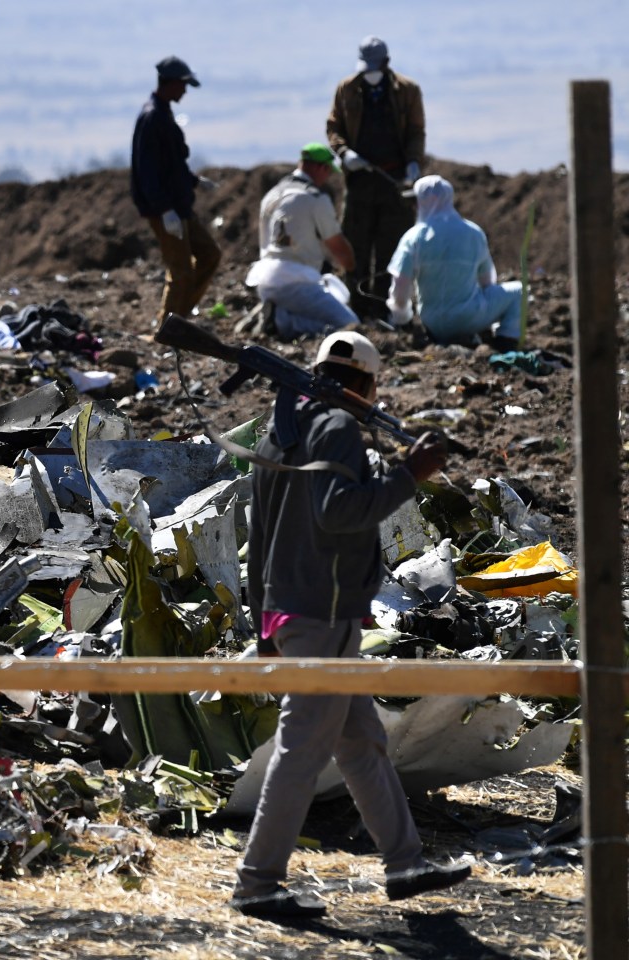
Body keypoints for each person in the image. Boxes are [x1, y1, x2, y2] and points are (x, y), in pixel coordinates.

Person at [231, 330, 470, 918]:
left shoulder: (280, 429)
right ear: (365, 384)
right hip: (323, 615)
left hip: (291, 612)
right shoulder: (336, 429)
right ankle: (257, 883)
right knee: (302, 748)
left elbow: (258, 532)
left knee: (361, 742)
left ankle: (405, 862)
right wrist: (409, 473)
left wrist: (265, 625)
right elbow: (340, 512)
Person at [326, 37, 425, 321]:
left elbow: (417, 131)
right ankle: (354, 310)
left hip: (394, 183)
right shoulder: (347, 90)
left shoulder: (407, 91)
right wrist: (344, 153)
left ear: (386, 64)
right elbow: (334, 127)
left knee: (390, 248)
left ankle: (382, 309)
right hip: (359, 183)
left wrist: (414, 163)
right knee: (355, 246)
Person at [131, 55, 221, 324]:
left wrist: (193, 181)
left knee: (209, 255)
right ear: (169, 83)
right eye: (182, 85)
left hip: (179, 207)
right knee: (181, 271)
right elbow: (148, 172)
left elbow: (171, 163)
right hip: (166, 209)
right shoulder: (152, 117)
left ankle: (178, 320)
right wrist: (164, 209)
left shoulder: (164, 114)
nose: (184, 91)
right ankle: (167, 329)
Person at [387, 175, 522, 351]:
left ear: (426, 201)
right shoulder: (474, 233)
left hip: (432, 322)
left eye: (416, 201)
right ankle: (505, 343)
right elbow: (488, 281)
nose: (414, 207)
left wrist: (402, 319)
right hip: (470, 320)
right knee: (520, 291)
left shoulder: (413, 237)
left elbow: (400, 285)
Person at [246, 143, 358, 339]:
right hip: (296, 280)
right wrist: (351, 267)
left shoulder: (272, 195)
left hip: (264, 280)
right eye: (328, 172)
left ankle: (272, 312)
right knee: (349, 324)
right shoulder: (314, 197)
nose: (327, 178)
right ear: (320, 167)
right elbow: (337, 245)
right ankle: (280, 320)